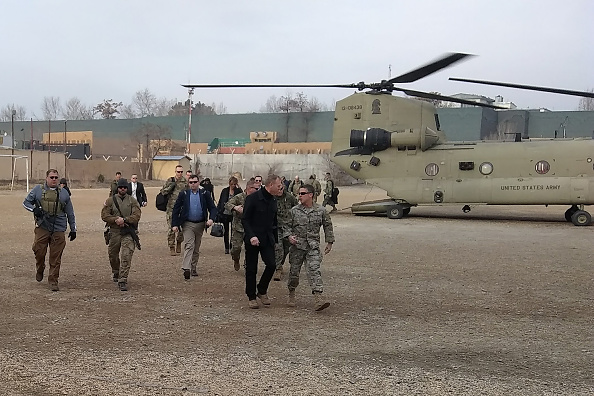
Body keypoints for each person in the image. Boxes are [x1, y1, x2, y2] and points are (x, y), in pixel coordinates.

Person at [23, 169, 77, 291]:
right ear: (46, 178)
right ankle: (40, 267)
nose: (54, 180)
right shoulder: (38, 190)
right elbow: (26, 203)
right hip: (43, 226)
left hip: (58, 228)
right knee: (38, 250)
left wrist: (73, 228)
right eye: (51, 177)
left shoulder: (64, 193)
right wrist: (34, 209)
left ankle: (53, 280)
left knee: (56, 256)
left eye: (56, 178)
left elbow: (70, 212)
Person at [286, 183, 335, 311]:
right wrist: (289, 237)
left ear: (310, 195)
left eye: (302, 194)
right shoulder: (294, 211)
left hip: (312, 246)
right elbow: (285, 227)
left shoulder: (321, 211)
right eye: (298, 193)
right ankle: (291, 292)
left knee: (314, 270)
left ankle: (318, 298)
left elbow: (327, 226)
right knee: (294, 273)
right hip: (297, 246)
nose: (299, 196)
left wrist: (329, 242)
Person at [242, 174, 283, 309]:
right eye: (278, 185)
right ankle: (251, 296)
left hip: (267, 239)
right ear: (270, 185)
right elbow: (245, 219)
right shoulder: (252, 199)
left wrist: (276, 240)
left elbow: (274, 222)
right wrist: (251, 236)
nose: (280, 188)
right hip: (253, 239)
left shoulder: (273, 200)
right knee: (251, 269)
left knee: (272, 265)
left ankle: (262, 290)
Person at [171, 174, 217, 280]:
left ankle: (193, 267)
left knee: (196, 248)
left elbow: (213, 208)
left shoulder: (205, 193)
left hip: (201, 224)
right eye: (191, 182)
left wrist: (211, 219)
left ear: (198, 182)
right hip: (188, 224)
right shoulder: (184, 194)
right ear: (188, 183)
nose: (193, 184)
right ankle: (186, 268)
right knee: (189, 245)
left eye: (195, 182)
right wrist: (175, 224)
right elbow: (176, 209)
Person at [101, 178, 141, 291]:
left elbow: (137, 215)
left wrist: (125, 220)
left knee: (126, 255)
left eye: (124, 187)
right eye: (120, 187)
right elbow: (104, 215)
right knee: (113, 255)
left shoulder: (132, 201)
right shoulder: (110, 201)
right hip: (114, 232)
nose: (122, 189)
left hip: (128, 231)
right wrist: (115, 219)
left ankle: (123, 279)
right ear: (117, 188)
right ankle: (116, 272)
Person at [225, 179, 258, 271]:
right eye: (255, 188)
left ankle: (247, 265)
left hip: (251, 229)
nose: (257, 190)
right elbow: (227, 204)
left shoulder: (257, 199)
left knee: (250, 250)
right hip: (238, 227)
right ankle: (236, 259)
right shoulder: (239, 197)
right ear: (249, 188)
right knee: (236, 248)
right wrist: (235, 207)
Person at [160, 165, 188, 255]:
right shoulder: (170, 180)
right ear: (175, 172)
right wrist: (171, 186)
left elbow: (189, 194)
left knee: (181, 229)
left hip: (181, 209)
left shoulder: (185, 182)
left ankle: (179, 241)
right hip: (171, 208)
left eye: (181, 172)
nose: (179, 173)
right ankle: (171, 246)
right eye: (178, 172)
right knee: (171, 228)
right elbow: (163, 192)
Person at [273, 181, 298, 281]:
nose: (279, 191)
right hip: (276, 227)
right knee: (278, 248)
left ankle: (281, 263)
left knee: (286, 248)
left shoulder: (290, 197)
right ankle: (278, 269)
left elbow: (296, 209)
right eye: (278, 188)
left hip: (288, 228)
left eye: (281, 188)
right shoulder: (272, 198)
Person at [217, 176, 243, 254]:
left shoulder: (238, 191)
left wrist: (239, 187)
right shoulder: (225, 191)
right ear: (229, 183)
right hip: (225, 213)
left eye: (235, 184)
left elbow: (242, 196)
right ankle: (226, 247)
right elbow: (221, 201)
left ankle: (232, 246)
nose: (233, 186)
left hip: (234, 213)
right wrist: (218, 211)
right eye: (232, 184)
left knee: (233, 231)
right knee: (226, 231)